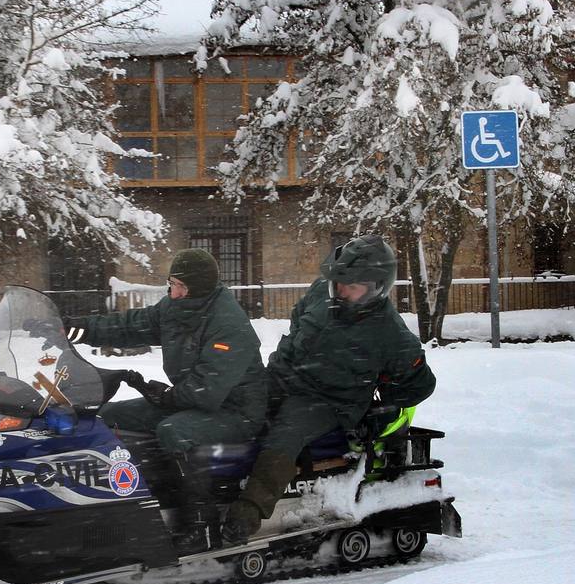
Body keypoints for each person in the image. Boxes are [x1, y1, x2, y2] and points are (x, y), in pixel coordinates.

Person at [221, 234, 436, 545]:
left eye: (353, 287)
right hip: (284, 376)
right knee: (234, 396)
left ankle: (251, 509)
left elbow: (421, 384)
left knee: (286, 432)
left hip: (329, 402)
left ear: (377, 288)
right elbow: (297, 322)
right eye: (339, 282)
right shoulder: (322, 290)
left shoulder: (391, 334)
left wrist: (385, 402)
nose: (342, 290)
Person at [64, 248, 267, 552]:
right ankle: (121, 500)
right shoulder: (176, 308)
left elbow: (208, 390)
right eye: (171, 283)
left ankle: (201, 525)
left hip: (236, 412)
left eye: (180, 286)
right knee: (106, 416)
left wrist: (168, 396)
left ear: (198, 288)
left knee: (174, 431)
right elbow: (131, 326)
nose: (172, 292)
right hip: (188, 402)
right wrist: (78, 329)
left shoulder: (228, 324)